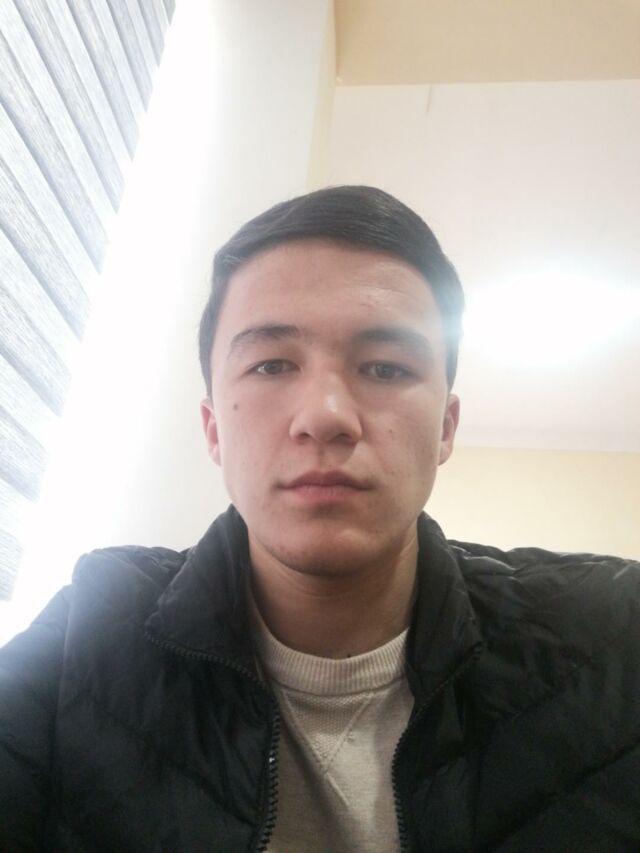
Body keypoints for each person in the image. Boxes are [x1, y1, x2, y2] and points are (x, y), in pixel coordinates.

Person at [1, 186, 638, 852]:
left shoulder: (616, 636)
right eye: (271, 364)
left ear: (445, 428)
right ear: (214, 429)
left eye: (386, 367)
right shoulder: (89, 631)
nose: (326, 416)